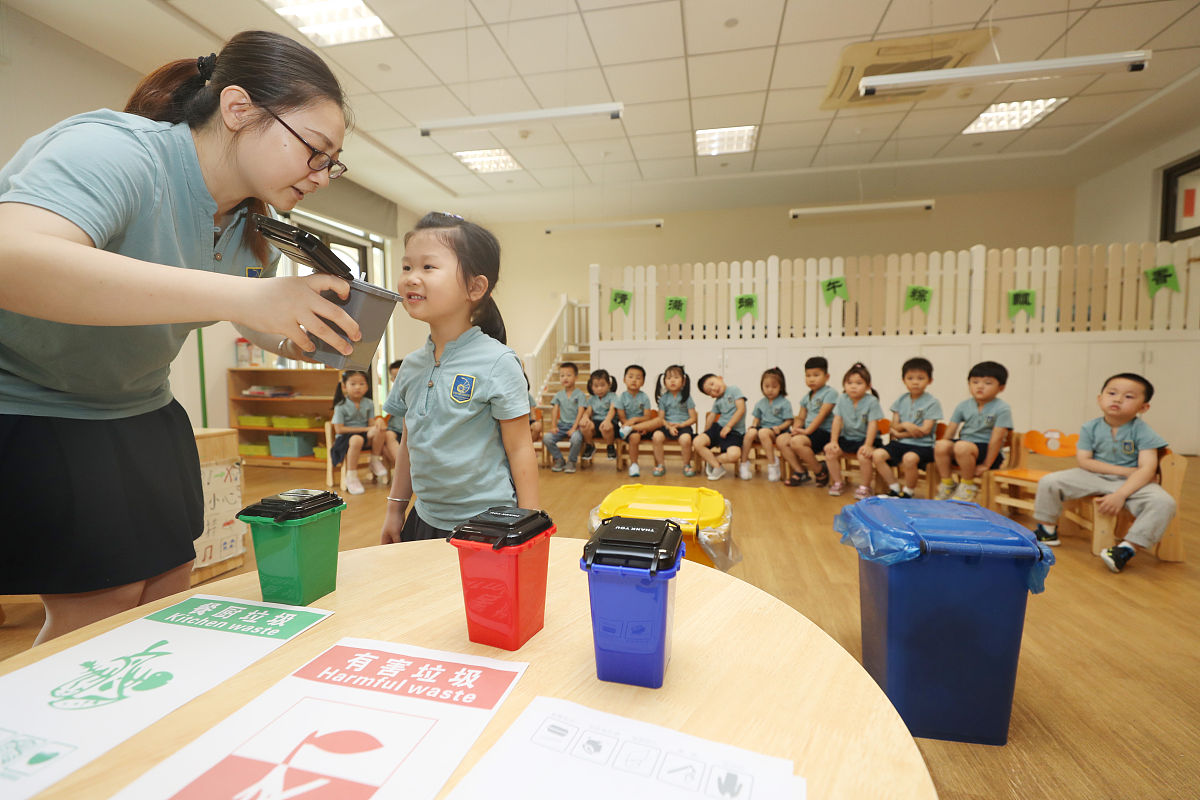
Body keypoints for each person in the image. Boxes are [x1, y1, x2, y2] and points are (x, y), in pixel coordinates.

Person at [0, 31, 359, 644]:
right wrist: (248, 298)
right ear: (239, 109)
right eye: (314, 151)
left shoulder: (251, 221)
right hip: (36, 405)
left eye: (332, 162)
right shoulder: (116, 151)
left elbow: (244, 312)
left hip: (141, 407)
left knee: (169, 582)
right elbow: (12, 259)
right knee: (101, 610)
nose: (322, 175)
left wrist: (293, 337)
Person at [379, 212, 538, 543]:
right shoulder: (410, 365)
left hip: (488, 524)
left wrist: (530, 524)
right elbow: (410, 443)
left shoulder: (498, 362)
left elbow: (521, 447)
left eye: (428, 267)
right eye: (407, 267)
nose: (410, 277)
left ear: (474, 286)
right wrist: (395, 510)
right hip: (423, 518)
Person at [1030, 373, 1176, 573]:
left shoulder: (1143, 431)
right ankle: (1047, 531)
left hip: (1132, 484)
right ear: (1100, 399)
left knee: (1164, 502)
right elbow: (1084, 461)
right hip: (1093, 476)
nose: (1117, 399)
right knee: (1050, 481)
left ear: (1144, 407)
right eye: (1112, 393)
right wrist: (1125, 471)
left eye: (1129, 397)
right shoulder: (1090, 427)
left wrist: (1120, 495)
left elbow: (1147, 470)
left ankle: (1127, 548)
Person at [933, 361, 1012, 502]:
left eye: (988, 383)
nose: (980, 386)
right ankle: (948, 484)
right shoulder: (963, 405)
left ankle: (968, 486)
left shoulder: (1002, 408)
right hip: (963, 448)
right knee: (941, 445)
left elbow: (997, 439)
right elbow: (951, 430)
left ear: (1001, 388)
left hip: (987, 451)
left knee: (962, 446)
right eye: (975, 382)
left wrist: (987, 464)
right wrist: (944, 446)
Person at [873, 357, 943, 498]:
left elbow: (925, 431)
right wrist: (905, 425)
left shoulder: (933, 403)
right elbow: (894, 426)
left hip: (923, 446)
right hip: (899, 444)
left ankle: (908, 492)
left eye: (920, 378)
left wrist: (900, 433)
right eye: (910, 378)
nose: (915, 382)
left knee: (909, 459)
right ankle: (894, 488)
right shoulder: (901, 400)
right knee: (877, 455)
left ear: (930, 381)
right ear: (904, 380)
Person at [824, 363, 885, 499]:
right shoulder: (841, 399)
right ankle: (838, 482)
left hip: (867, 439)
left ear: (868, 386)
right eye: (849, 382)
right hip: (848, 438)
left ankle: (865, 486)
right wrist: (833, 441)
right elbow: (837, 421)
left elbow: (872, 425)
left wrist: (868, 445)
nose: (853, 386)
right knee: (830, 452)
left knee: (863, 455)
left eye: (859, 383)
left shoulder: (872, 401)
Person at [330, 369, 386, 495]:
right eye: (353, 384)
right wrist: (366, 429)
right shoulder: (340, 406)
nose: (358, 388)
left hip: (364, 436)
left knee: (380, 431)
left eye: (362, 384)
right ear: (344, 386)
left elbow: (371, 423)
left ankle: (375, 460)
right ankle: (351, 476)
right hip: (345, 439)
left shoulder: (369, 403)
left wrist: (377, 423)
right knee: (357, 439)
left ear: (367, 386)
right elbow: (339, 429)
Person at [786, 356, 838, 487]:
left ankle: (820, 472)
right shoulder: (807, 396)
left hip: (824, 433)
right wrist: (796, 429)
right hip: (808, 433)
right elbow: (801, 417)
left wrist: (806, 431)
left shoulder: (831, 393)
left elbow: (822, 415)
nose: (811, 379)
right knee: (783, 440)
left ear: (827, 377)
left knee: (797, 442)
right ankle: (800, 471)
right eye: (808, 375)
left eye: (816, 375)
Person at [739, 367, 794, 482]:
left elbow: (789, 421)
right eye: (766, 386)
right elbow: (756, 418)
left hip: (778, 431)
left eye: (774, 387)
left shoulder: (784, 402)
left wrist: (780, 427)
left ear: (781, 387)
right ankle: (744, 463)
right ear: (762, 386)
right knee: (750, 433)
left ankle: (773, 464)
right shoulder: (760, 403)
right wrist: (753, 426)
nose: (770, 390)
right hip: (763, 429)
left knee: (763, 432)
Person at [694, 373, 747, 481]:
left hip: (734, 432)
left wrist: (729, 426)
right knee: (697, 442)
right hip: (718, 428)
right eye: (710, 391)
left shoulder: (734, 390)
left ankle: (714, 461)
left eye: (712, 384)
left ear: (720, 378)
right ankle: (718, 467)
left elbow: (741, 409)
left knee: (734, 455)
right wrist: (705, 433)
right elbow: (711, 416)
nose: (713, 389)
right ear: (711, 396)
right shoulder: (717, 401)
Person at [651, 365, 698, 477]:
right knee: (656, 436)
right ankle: (661, 464)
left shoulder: (687, 397)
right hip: (667, 426)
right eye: (669, 378)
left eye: (676, 377)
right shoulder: (663, 398)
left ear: (683, 381)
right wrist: (669, 427)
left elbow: (693, 418)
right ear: (664, 381)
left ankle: (686, 464)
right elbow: (660, 418)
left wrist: (681, 425)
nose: (672, 380)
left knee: (686, 439)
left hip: (683, 426)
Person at [542, 361, 586, 473]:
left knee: (576, 439)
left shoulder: (580, 394)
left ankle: (571, 461)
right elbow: (554, 410)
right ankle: (559, 459)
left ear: (576, 377)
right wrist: (553, 426)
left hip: (576, 426)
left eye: (568, 375)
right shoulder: (558, 395)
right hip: (562, 426)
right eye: (562, 376)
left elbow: (581, 412)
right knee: (547, 438)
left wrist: (574, 428)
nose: (565, 378)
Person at [615, 364, 658, 478]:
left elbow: (647, 417)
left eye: (638, 378)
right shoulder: (621, 398)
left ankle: (659, 465)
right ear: (624, 379)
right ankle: (634, 465)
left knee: (657, 425)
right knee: (634, 437)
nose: (634, 380)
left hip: (644, 426)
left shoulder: (644, 397)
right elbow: (622, 418)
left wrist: (635, 420)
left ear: (643, 382)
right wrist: (629, 424)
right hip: (628, 430)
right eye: (631, 377)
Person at [581, 368, 619, 462]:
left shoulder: (613, 396)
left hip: (610, 423)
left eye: (602, 385)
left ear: (609, 385)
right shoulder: (591, 399)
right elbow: (588, 411)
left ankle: (610, 446)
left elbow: (612, 410)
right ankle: (590, 446)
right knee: (584, 425)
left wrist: (607, 420)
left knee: (606, 427)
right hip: (596, 423)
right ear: (591, 386)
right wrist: (585, 417)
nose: (599, 389)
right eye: (596, 386)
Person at [383, 359, 404, 469]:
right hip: (394, 429)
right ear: (392, 379)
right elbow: (387, 412)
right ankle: (402, 468)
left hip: (411, 430)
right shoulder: (393, 394)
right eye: (396, 377)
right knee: (388, 436)